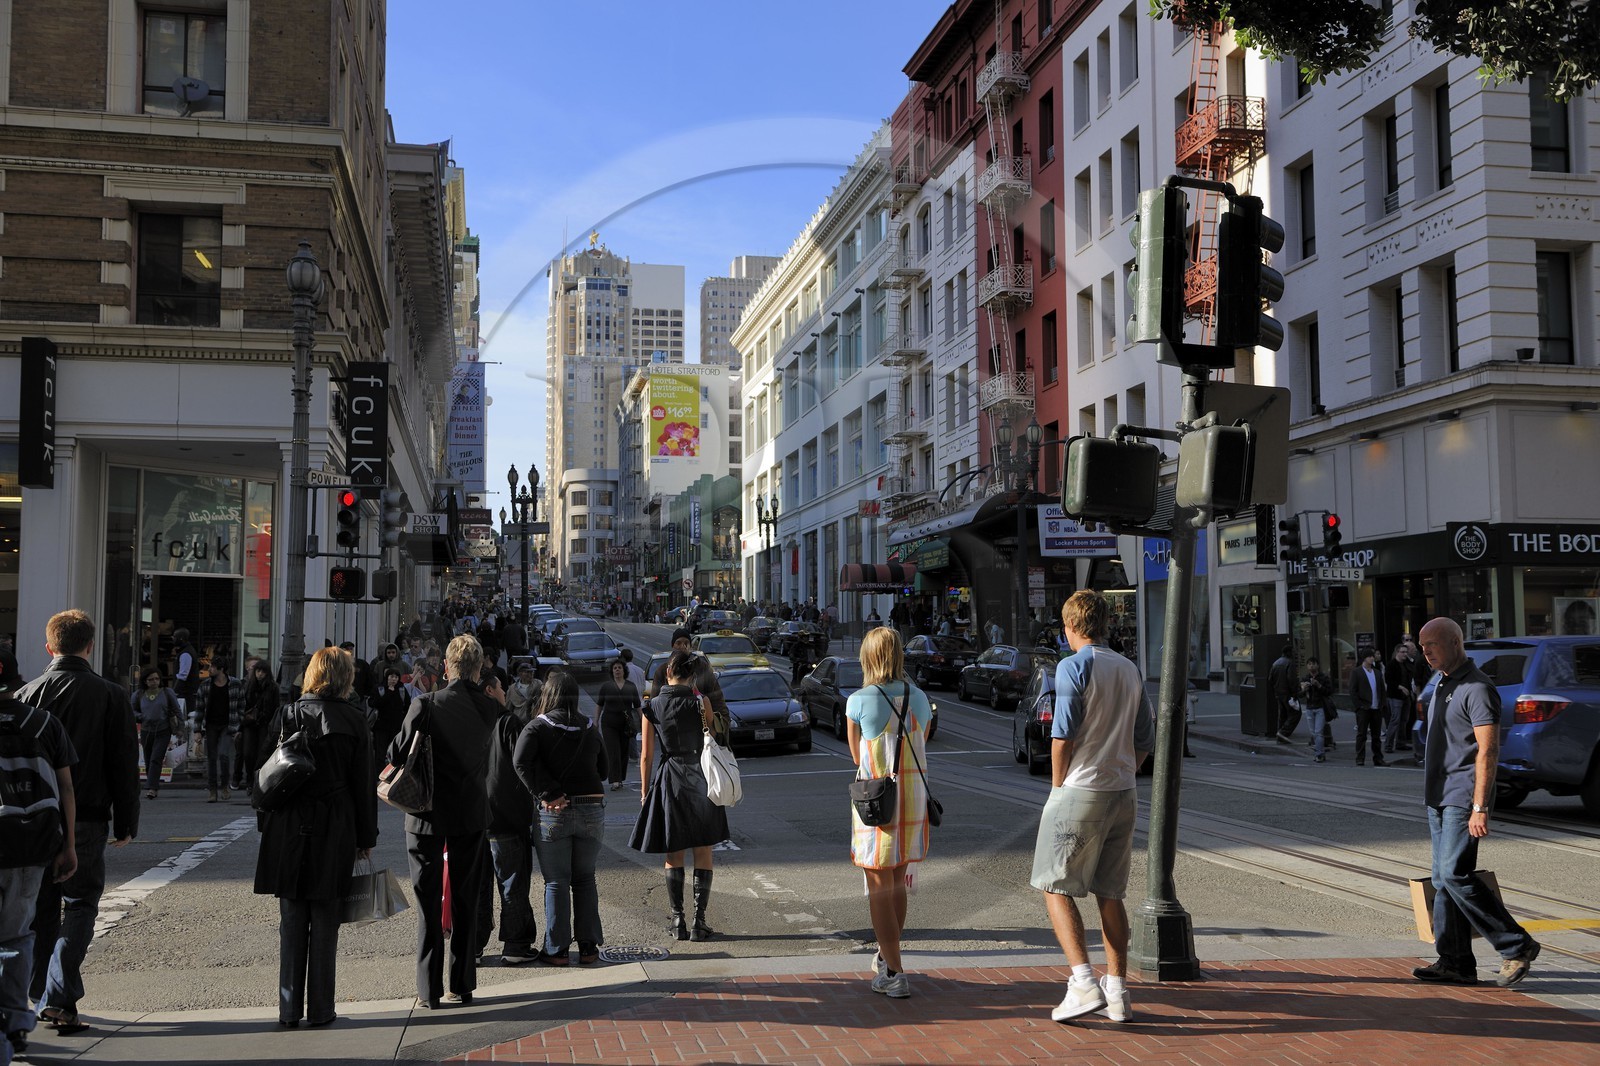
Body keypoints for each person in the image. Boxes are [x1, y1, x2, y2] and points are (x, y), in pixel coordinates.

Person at [1031, 590, 1154, 1024]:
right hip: (1124, 791)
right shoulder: (1129, 668)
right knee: (1110, 892)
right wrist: (1123, 769)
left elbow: (1061, 736)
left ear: (1071, 628)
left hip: (1082, 790)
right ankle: (1117, 990)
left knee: (1053, 883)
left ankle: (1083, 982)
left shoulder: (1072, 666)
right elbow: (1145, 739)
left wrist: (1057, 788)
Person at [15, 610, 138, 1034]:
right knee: (82, 903)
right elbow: (123, 763)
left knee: (41, 909)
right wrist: (126, 821)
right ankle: (57, 997)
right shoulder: (110, 694)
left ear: (49, 648)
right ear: (90, 646)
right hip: (86, 815)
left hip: (34, 818)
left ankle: (41, 995)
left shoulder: (26, 695)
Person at [1414, 616, 1541, 987]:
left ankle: (1516, 944)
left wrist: (1480, 806)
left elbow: (1488, 750)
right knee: (1442, 880)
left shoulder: (1477, 688)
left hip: (1462, 796)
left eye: (1432, 645)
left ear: (1455, 642)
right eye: (1422, 647)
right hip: (1437, 796)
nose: (1425, 653)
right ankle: (1453, 961)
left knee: (1455, 873)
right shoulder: (1442, 683)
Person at [252, 647, 376, 1028]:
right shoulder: (355, 719)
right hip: (334, 823)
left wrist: (265, 822)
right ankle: (321, 1008)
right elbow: (363, 785)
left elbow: (262, 773)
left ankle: (288, 1009)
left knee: (291, 917)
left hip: (288, 822)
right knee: (325, 918)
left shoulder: (287, 714)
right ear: (345, 677)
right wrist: (365, 836)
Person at [387, 634, 498, 1009]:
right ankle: (462, 983)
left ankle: (428, 989)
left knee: (428, 902)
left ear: (447, 667)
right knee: (466, 900)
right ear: (479, 668)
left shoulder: (425, 705)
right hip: (469, 813)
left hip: (426, 813)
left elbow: (395, 752)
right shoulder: (488, 708)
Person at [846, 627, 935, 1000]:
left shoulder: (860, 701)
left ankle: (895, 972)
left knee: (878, 886)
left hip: (877, 802)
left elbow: (857, 757)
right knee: (897, 882)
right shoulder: (919, 698)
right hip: (913, 799)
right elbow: (921, 742)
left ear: (869, 658)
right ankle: (887, 955)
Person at [0, 656, 77, 1054]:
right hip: (28, 845)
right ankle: (15, 1022)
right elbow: (65, 787)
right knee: (15, 936)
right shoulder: (43, 724)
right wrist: (68, 845)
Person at [630, 651, 729, 942]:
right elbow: (711, 737)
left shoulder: (652, 706)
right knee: (703, 850)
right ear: (691, 676)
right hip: (701, 775)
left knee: (673, 853)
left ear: (668, 672)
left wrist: (646, 790)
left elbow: (646, 755)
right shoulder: (702, 702)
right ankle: (699, 922)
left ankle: (677, 921)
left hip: (669, 777)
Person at [515, 672, 609, 965]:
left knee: (556, 881)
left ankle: (556, 950)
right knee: (585, 878)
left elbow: (520, 762)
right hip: (592, 808)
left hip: (553, 813)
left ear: (549, 695)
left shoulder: (536, 727)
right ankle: (589, 947)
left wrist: (546, 792)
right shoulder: (591, 727)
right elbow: (604, 770)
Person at [483, 668, 538, 966]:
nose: (506, 692)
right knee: (512, 883)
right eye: (501, 688)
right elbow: (523, 763)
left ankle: (474, 945)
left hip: (474, 818)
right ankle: (515, 945)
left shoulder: (467, 720)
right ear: (490, 690)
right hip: (506, 816)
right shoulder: (508, 723)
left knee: (479, 887)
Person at [130, 667, 180, 800]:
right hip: (147, 730)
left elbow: (177, 710)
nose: (154, 682)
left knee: (156, 758)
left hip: (163, 730)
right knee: (148, 759)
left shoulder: (167, 692)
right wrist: (141, 716)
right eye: (151, 679)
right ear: (145, 681)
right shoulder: (139, 694)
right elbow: (131, 711)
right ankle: (153, 784)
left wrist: (180, 728)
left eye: (157, 679)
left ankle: (151, 788)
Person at [201, 660, 242, 802]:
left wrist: (238, 725)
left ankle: (224, 786)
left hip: (227, 724)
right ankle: (212, 790)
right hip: (211, 724)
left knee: (224, 755)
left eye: (212, 667)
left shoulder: (235, 684)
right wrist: (197, 730)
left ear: (221, 669)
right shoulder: (206, 685)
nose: (209, 669)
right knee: (211, 758)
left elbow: (241, 705)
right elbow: (200, 708)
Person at [595, 660, 640, 791]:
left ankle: (620, 779)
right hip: (609, 723)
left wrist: (644, 721)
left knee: (623, 752)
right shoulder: (606, 687)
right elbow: (599, 705)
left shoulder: (630, 686)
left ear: (624, 670)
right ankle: (614, 780)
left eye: (619, 668)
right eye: (615, 668)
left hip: (626, 724)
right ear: (612, 671)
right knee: (613, 751)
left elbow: (637, 706)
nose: (617, 670)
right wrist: (596, 721)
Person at [1347, 649, 1388, 767]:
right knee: (1362, 734)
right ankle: (1360, 757)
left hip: (1376, 707)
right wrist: (1359, 706)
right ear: (1364, 658)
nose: (1372, 658)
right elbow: (1353, 690)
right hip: (1364, 708)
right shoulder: (1357, 672)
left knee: (1376, 736)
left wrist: (1382, 704)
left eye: (1373, 656)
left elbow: (1381, 690)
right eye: (1370, 656)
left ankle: (1378, 758)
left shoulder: (1377, 672)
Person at [1299, 658, 1336, 757]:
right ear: (1307, 666)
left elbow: (1329, 691)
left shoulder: (1323, 678)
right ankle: (1320, 752)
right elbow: (1299, 695)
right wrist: (1303, 689)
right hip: (1309, 708)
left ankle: (1319, 754)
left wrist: (1319, 685)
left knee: (1318, 732)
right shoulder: (1305, 679)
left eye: (1313, 664)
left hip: (1320, 707)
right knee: (1313, 732)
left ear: (1318, 666)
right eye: (1309, 664)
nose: (1311, 666)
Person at [1385, 641, 1417, 754]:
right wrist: (1400, 687)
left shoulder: (1406, 664)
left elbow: (1409, 679)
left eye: (1406, 652)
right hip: (1395, 697)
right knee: (1395, 720)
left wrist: (1410, 692)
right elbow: (1389, 680)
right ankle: (1388, 745)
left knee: (1404, 721)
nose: (1404, 654)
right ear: (1397, 652)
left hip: (1406, 696)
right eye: (1402, 652)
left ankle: (1400, 743)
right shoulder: (1392, 665)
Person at [1267, 644, 1297, 743]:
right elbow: (1291, 680)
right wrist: (1295, 693)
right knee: (1295, 713)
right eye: (1293, 651)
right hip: (1287, 693)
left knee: (1282, 714)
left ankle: (1280, 734)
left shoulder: (1275, 663)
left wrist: (1276, 688)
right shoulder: (1289, 663)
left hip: (1278, 693)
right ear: (1288, 652)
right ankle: (1283, 733)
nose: (1294, 653)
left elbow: (1270, 679)